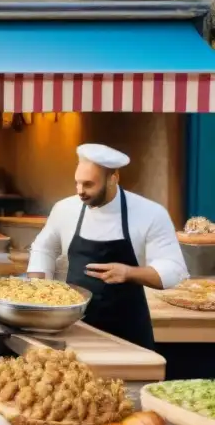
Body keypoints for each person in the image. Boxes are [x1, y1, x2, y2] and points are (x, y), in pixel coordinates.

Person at [28, 143, 187, 349]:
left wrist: (129, 273)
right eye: (77, 183)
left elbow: (174, 270)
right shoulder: (65, 209)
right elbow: (44, 248)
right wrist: (38, 288)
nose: (80, 191)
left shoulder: (150, 213)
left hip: (129, 330)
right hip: (74, 327)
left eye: (88, 184)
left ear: (113, 179)